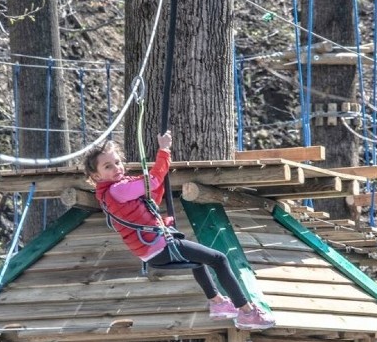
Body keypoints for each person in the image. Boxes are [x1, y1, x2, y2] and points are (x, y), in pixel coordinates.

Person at [83, 130, 276, 331]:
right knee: (219, 259)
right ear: (96, 176)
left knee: (197, 261)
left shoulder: (109, 194)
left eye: (117, 162)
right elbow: (154, 181)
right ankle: (247, 312)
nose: (116, 168)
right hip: (160, 246)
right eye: (108, 166)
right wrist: (164, 150)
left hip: (150, 252)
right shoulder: (118, 190)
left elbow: (152, 196)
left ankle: (218, 303)